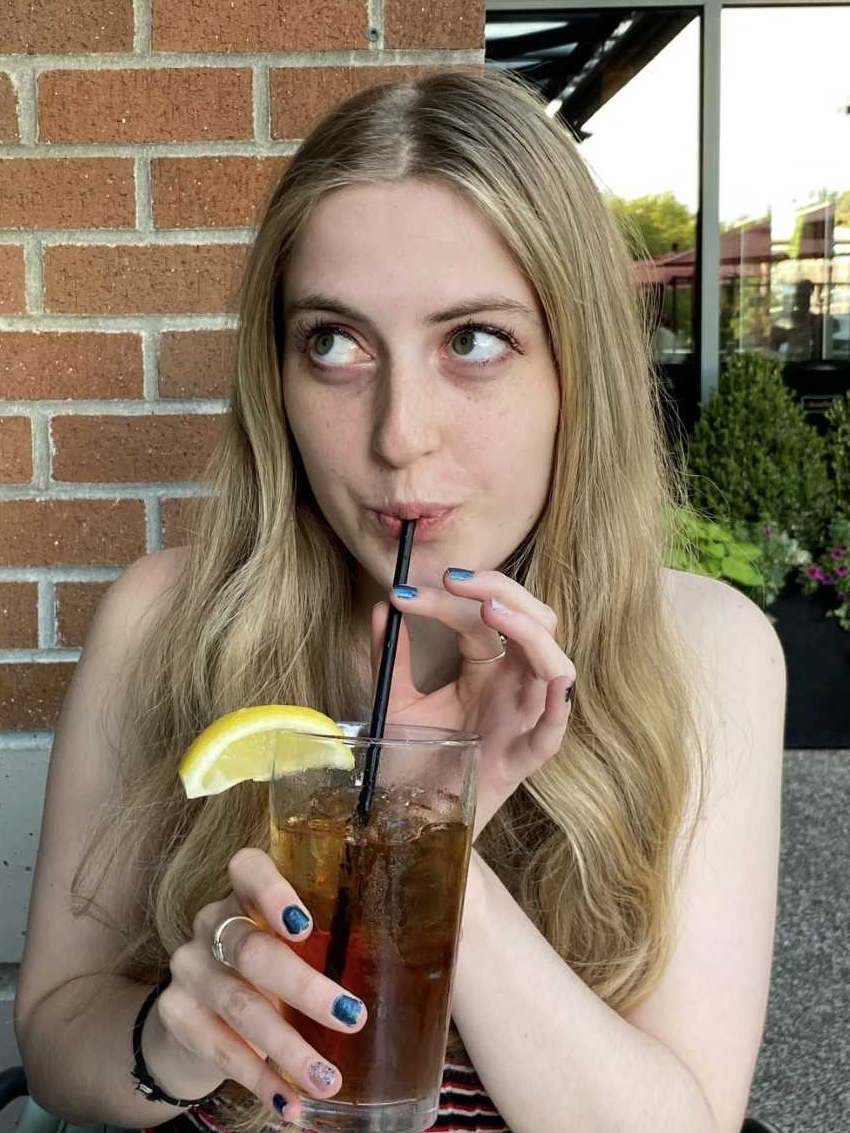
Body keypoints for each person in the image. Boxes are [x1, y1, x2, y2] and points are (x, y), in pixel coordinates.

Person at [14, 69, 786, 1133]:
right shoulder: (164, 619)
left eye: (472, 341)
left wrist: (426, 835)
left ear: (579, 369)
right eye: (333, 342)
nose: (397, 435)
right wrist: (173, 1039)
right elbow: (56, 1032)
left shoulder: (702, 648)